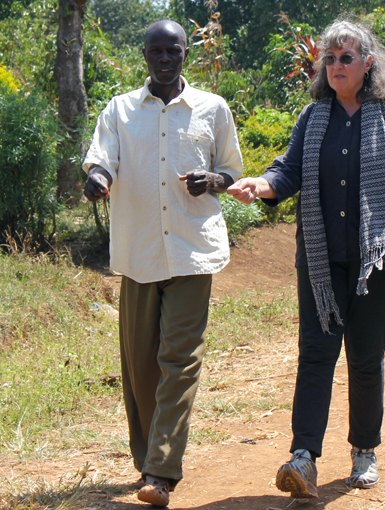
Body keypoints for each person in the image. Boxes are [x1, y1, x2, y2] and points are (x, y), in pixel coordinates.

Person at [227, 19, 385, 498]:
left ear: (367, 64)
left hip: (375, 258)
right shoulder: (313, 115)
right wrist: (261, 185)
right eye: (330, 59)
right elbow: (289, 169)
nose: (337, 66)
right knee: (316, 356)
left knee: (365, 359)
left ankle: (364, 450)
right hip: (320, 261)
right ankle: (304, 457)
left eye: (347, 58)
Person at [82, 20, 244, 507]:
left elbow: (232, 170)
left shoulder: (212, 109)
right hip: (139, 251)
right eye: (156, 50)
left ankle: (162, 470)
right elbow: (100, 158)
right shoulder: (121, 110)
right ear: (145, 55)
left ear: (185, 53)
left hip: (193, 251)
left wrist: (210, 180)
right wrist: (96, 178)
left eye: (173, 49)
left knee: (179, 359)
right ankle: (147, 456)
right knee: (139, 365)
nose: (165, 57)